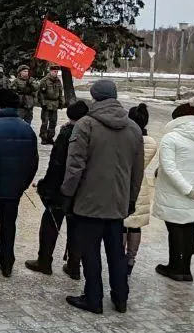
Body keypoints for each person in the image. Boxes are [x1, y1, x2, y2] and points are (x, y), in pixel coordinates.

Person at [61, 79, 143, 315]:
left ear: (94, 97)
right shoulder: (133, 128)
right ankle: (120, 297)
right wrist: (131, 199)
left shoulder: (85, 125)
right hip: (118, 201)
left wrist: (67, 194)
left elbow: (75, 165)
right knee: (116, 252)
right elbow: (137, 171)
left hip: (89, 201)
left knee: (90, 252)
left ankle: (93, 297)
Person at [152, 99, 194, 281]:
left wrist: (187, 190)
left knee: (175, 229)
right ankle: (185, 268)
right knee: (188, 227)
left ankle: (175, 268)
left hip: (175, 192)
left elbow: (169, 168)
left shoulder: (171, 138)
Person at [0, 88, 39, 277]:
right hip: (14, 187)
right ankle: (7, 264)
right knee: (9, 225)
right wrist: (23, 184)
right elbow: (33, 161)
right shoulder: (27, 128)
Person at [26, 99, 89, 276]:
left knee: (50, 223)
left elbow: (57, 163)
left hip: (61, 187)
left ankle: (44, 260)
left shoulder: (67, 133)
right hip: (83, 188)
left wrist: (47, 185)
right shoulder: (93, 133)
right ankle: (74, 264)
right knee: (77, 226)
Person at [122, 103, 157, 275]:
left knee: (122, 224)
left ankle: (119, 256)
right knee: (136, 225)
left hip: (123, 182)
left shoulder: (126, 139)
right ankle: (131, 258)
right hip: (141, 185)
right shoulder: (151, 142)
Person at [36, 68, 65, 144]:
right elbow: (40, 94)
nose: (56, 73)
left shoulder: (58, 81)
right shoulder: (44, 80)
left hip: (55, 104)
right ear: (50, 71)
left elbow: (60, 92)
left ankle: (50, 137)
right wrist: (43, 103)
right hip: (46, 103)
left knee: (53, 122)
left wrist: (61, 102)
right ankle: (44, 138)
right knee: (45, 122)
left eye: (57, 71)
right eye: (54, 71)